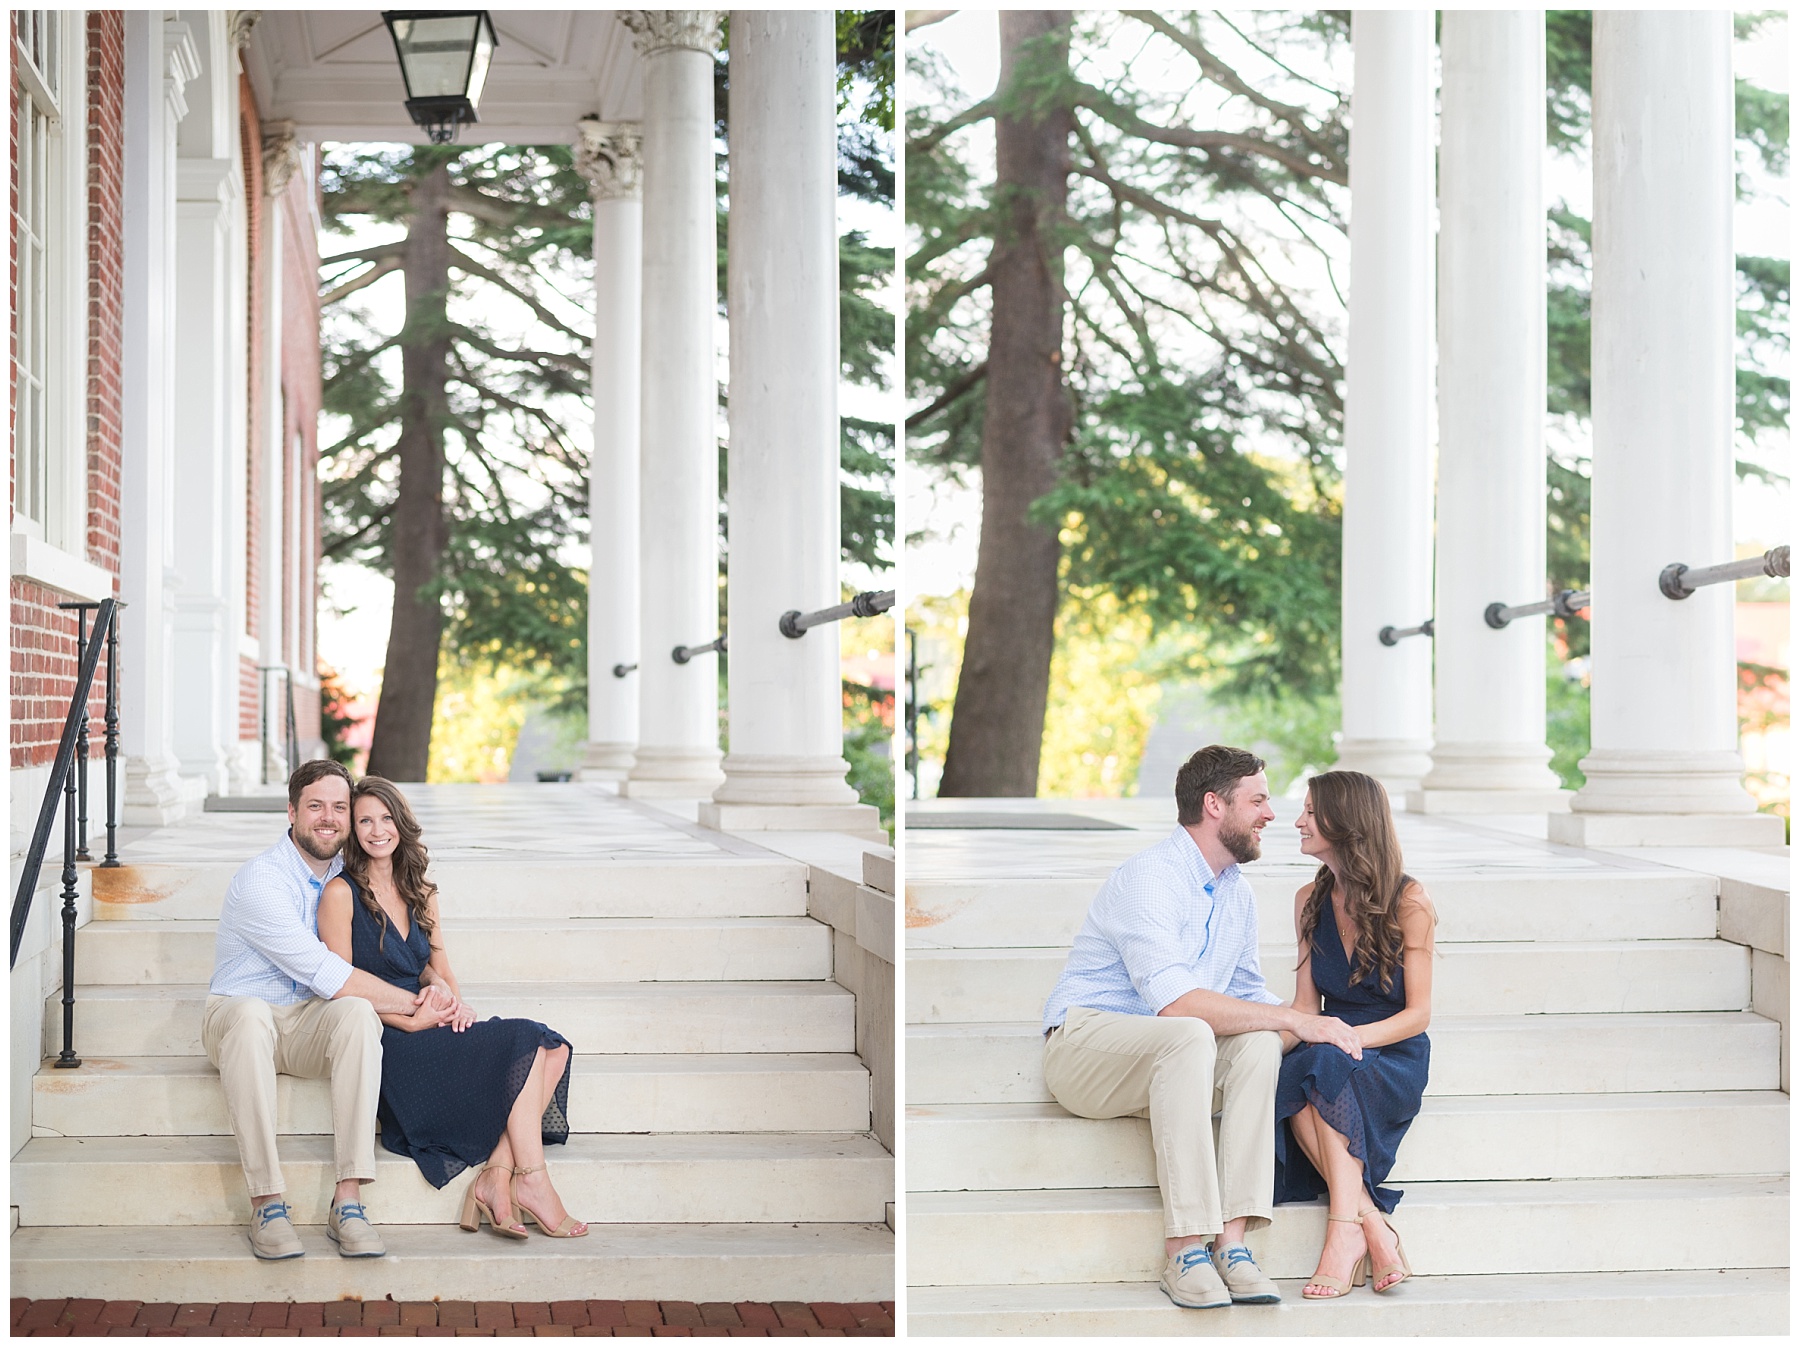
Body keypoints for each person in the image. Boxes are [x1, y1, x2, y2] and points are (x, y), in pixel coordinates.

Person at [1039, 745, 1366, 1311]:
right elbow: (1175, 1003)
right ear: (1214, 804)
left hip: (1172, 1062)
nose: (1271, 814)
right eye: (1258, 800)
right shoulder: (1151, 878)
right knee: (1193, 1029)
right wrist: (1294, 1018)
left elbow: (1244, 999)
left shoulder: (1235, 889)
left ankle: (1232, 1244)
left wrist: (1314, 1025)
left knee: (1260, 1042)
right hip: (1088, 1048)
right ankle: (1185, 1247)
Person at [317, 775, 586, 1239]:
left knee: (553, 1048)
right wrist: (411, 1019)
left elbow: (439, 967)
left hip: (431, 1020)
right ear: (353, 832)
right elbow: (340, 989)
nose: (377, 830)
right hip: (387, 1037)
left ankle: (497, 1178)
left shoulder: (420, 890)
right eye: (364, 821)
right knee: (527, 1039)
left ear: (401, 823)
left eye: (386, 818)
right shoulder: (340, 894)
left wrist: (453, 1005)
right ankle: (533, 1183)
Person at [204, 758, 439, 1261]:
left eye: (339, 807)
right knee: (250, 1016)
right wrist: (414, 1005)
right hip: (240, 1015)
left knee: (356, 1014)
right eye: (316, 806)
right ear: (292, 812)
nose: (329, 818)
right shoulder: (262, 881)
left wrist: (433, 981)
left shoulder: (345, 876)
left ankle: (348, 1200)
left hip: (308, 1022)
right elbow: (324, 971)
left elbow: (380, 955)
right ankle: (267, 1202)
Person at [1275, 769, 1435, 1299]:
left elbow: (1418, 1015)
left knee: (1321, 1060)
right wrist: (1253, 1037)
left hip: (1391, 1051)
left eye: (1311, 813)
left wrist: (1351, 1037)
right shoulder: (1307, 900)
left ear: (1347, 822)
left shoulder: (1410, 903)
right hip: (1330, 1047)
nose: (1298, 822)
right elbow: (1304, 1007)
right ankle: (1368, 1222)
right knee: (1289, 1071)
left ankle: (1341, 1235)